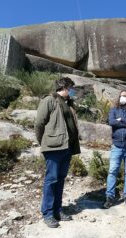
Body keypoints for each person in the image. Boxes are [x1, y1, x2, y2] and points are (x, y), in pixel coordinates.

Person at [35, 77, 81, 228]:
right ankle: (47, 213)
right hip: (54, 147)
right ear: (65, 87)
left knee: (60, 179)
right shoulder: (49, 100)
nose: (73, 91)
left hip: (67, 147)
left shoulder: (69, 103)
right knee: (52, 179)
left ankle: (57, 210)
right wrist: (44, 142)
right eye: (72, 88)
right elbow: (39, 123)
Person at [103, 89, 126, 209]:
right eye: (121, 96)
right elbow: (111, 122)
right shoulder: (114, 110)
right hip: (117, 145)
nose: (122, 98)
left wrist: (121, 120)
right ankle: (110, 197)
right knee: (113, 171)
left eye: (125, 96)